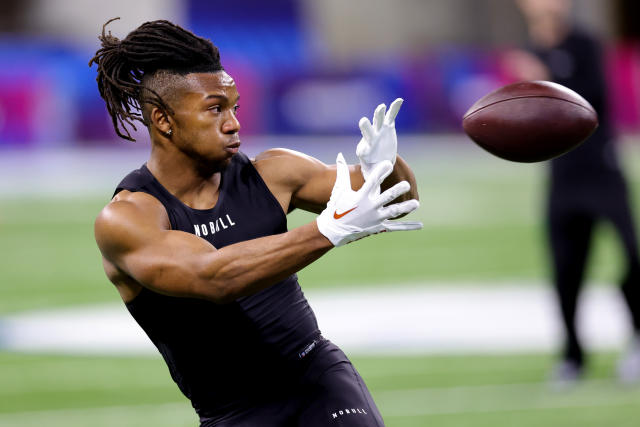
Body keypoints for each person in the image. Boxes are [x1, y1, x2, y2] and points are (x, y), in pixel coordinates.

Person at [90, 18, 422, 426]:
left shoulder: (274, 171)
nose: (233, 123)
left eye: (234, 108)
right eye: (215, 109)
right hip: (233, 412)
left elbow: (400, 201)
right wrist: (329, 230)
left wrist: (385, 167)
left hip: (318, 379)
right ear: (163, 119)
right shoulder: (127, 218)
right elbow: (213, 278)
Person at [507, 0, 640, 384]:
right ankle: (572, 356)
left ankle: (636, 337)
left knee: (632, 256)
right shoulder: (528, 51)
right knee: (566, 269)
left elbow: (591, 103)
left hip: (602, 169)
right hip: (562, 175)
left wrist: (543, 77)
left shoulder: (585, 43)